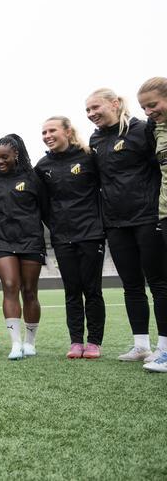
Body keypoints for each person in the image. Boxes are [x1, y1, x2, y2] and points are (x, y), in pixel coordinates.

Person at [87, 88, 167, 367]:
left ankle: (165, 347)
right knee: (131, 286)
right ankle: (141, 345)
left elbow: (159, 169)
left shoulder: (142, 129)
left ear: (115, 103)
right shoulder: (95, 139)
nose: (91, 114)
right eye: (87, 110)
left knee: (159, 283)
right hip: (115, 223)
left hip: (147, 217)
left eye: (95, 107)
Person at [35, 116, 106, 359]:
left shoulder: (88, 157)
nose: (47, 136)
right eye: (44, 132)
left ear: (67, 131)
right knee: (72, 290)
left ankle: (94, 342)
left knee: (92, 290)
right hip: (62, 237)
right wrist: (55, 225)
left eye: (52, 130)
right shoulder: (43, 166)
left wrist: (98, 222)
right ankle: (76, 341)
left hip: (91, 234)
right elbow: (42, 204)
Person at [0, 135, 46, 360]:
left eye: (4, 157)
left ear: (16, 155)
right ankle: (15, 343)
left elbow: (45, 208)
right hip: (2, 241)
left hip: (31, 240)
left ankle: (30, 342)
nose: (0, 161)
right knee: (10, 285)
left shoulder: (33, 178)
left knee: (29, 291)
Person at [137, 78, 167, 373]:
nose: (148, 111)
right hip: (163, 213)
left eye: (153, 104)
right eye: (144, 107)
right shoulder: (155, 130)